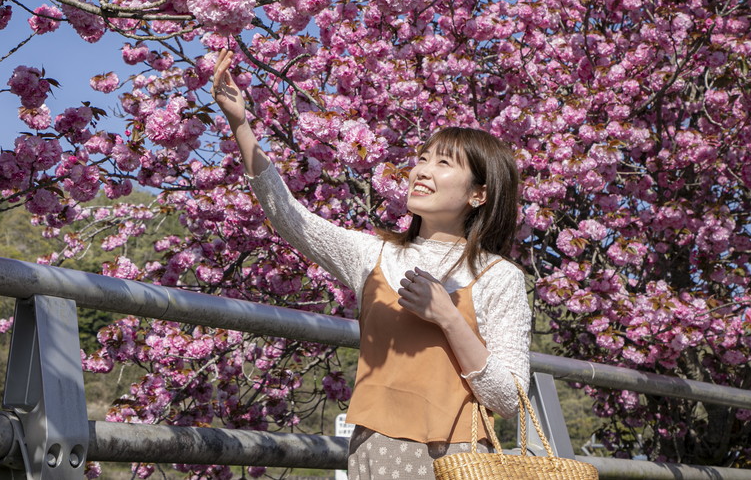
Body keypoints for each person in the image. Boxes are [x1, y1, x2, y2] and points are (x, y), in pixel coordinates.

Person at [211, 49, 532, 479]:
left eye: (443, 162)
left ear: (479, 194)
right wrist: (240, 123)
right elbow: (291, 218)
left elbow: (509, 400)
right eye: (422, 157)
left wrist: (449, 319)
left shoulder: (500, 276)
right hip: (374, 453)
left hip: (461, 460)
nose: (421, 170)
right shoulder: (374, 254)